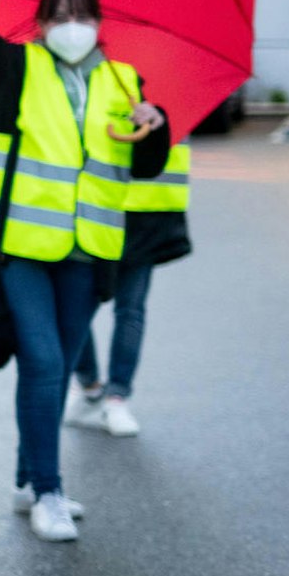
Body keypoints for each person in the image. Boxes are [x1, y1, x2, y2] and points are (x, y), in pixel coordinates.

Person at [0, 0, 170, 542]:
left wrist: (154, 121)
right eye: (59, 15)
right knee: (45, 363)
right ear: (42, 24)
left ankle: (29, 476)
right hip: (19, 247)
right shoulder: (17, 68)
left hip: (88, 250)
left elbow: (146, 164)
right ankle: (49, 491)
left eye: (83, 14)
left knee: (56, 363)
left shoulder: (124, 81)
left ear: (99, 22)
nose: (72, 25)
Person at [69, 142, 191, 437]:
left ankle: (114, 396)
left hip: (143, 213)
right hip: (99, 207)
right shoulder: (105, 94)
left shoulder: (165, 99)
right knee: (76, 309)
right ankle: (92, 389)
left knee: (129, 310)